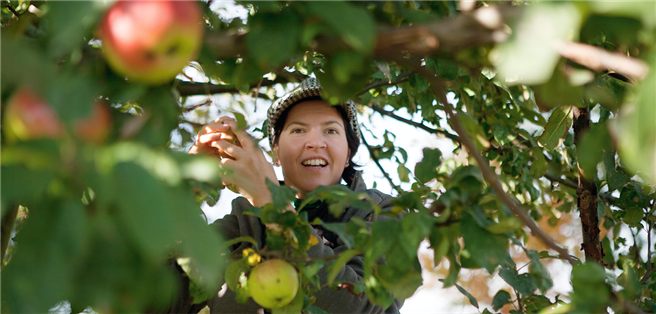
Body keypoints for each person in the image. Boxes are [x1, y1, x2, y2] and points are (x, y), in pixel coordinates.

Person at [179, 78, 405, 314]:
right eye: (298, 130)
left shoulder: (382, 212)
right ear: (275, 152)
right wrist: (184, 190)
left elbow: (359, 306)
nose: (315, 143)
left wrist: (271, 201)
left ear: (348, 153)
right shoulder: (244, 221)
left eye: (331, 130)